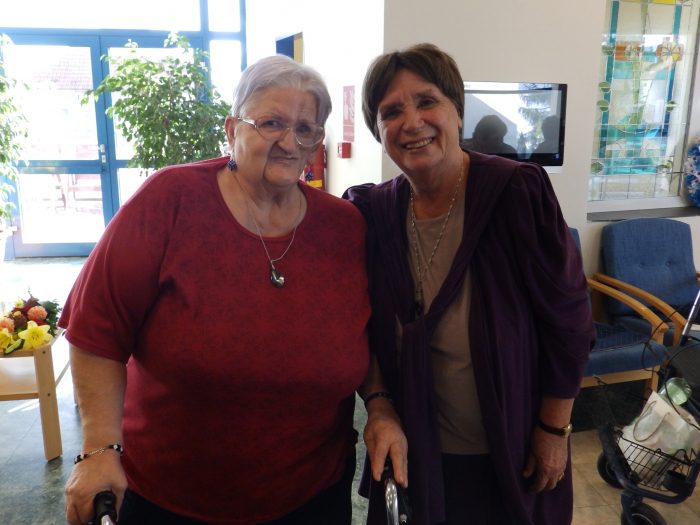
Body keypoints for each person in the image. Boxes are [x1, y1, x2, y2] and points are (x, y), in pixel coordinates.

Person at [61, 54, 405, 525]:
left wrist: (380, 406)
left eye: (305, 129)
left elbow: (365, 334)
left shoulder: (345, 226)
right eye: (271, 123)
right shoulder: (170, 201)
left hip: (312, 493)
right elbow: (96, 330)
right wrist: (99, 448)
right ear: (231, 130)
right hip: (172, 498)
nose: (289, 142)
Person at [344, 43, 595, 525]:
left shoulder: (516, 192)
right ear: (378, 131)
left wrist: (554, 429)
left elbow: (569, 323)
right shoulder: (374, 213)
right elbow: (363, 328)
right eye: (391, 112)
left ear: (457, 112)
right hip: (416, 452)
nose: (411, 122)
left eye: (427, 101)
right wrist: (378, 405)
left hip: (512, 449)